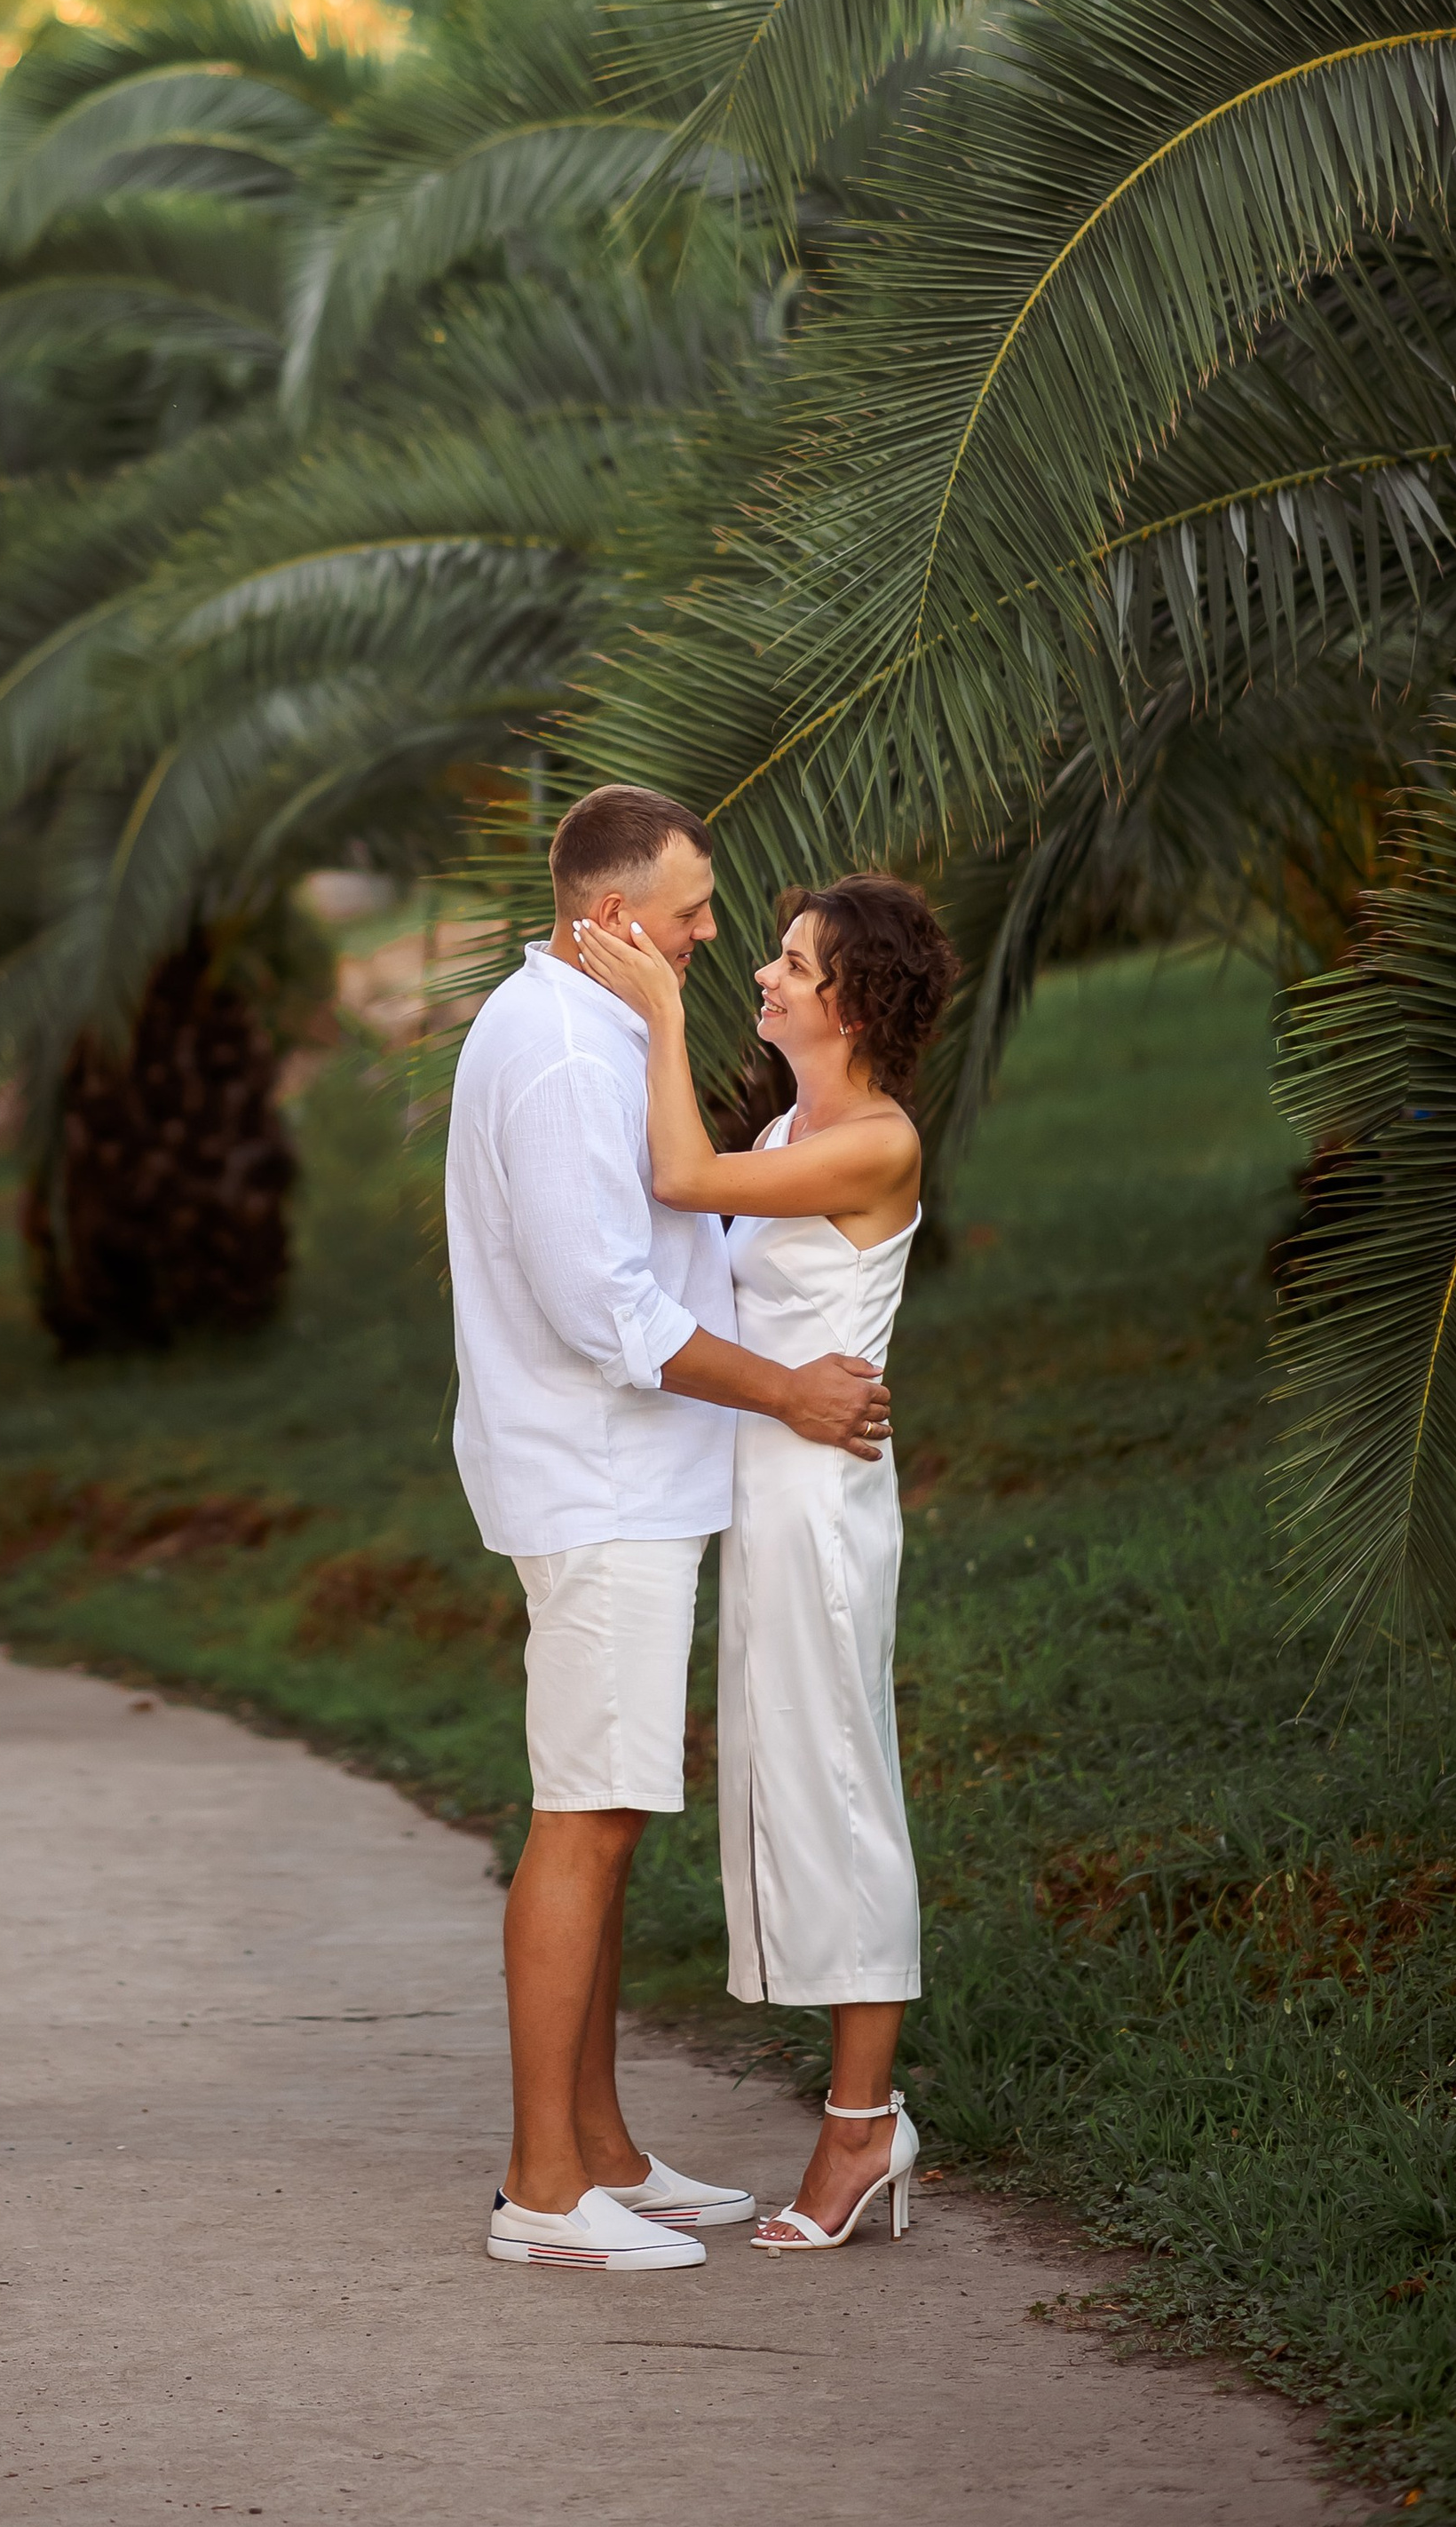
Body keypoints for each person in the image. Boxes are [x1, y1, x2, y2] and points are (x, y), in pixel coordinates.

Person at [445, 785, 894, 2275]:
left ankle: (605, 2150)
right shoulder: (569, 1050)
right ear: (617, 913)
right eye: (695, 905)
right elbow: (610, 1311)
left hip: (620, 1482)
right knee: (586, 1812)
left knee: (609, 1805)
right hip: (602, 1482)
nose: (715, 930)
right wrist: (784, 1392)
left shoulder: (586, 1027)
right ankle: (542, 2187)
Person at [574, 871, 959, 2254]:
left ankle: (863, 2126)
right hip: (776, 1489)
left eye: (793, 962)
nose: (766, 975)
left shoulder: (875, 1142)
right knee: (799, 1772)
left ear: (850, 997)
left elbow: (683, 1176)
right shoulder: (800, 1118)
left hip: (821, 1508)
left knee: (844, 1783)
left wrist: (659, 1007)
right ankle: (863, 2113)